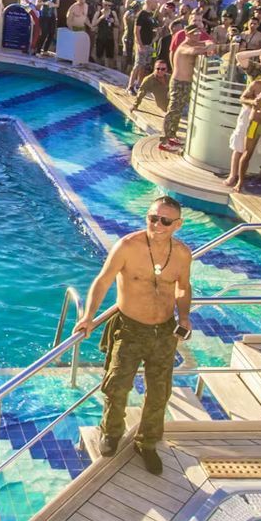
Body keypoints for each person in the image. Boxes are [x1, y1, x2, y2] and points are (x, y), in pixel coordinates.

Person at [76, 196, 193, 475]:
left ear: (177, 224)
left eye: (165, 220)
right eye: (153, 218)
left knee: (159, 392)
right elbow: (103, 281)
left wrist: (185, 317)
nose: (158, 224)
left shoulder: (182, 254)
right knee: (117, 385)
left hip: (164, 331)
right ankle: (111, 431)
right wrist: (88, 317)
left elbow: (183, 287)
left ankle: (147, 442)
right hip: (129, 328)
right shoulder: (128, 247)